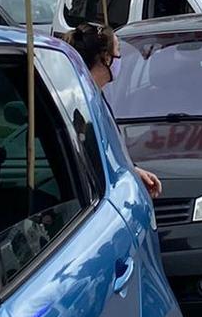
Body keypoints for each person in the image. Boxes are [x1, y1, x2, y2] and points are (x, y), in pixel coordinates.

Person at [68, 22, 163, 200]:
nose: (120, 57)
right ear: (106, 57)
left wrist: (131, 170)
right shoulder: (83, 106)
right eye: (118, 50)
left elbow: (108, 155)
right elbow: (94, 159)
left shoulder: (95, 96)